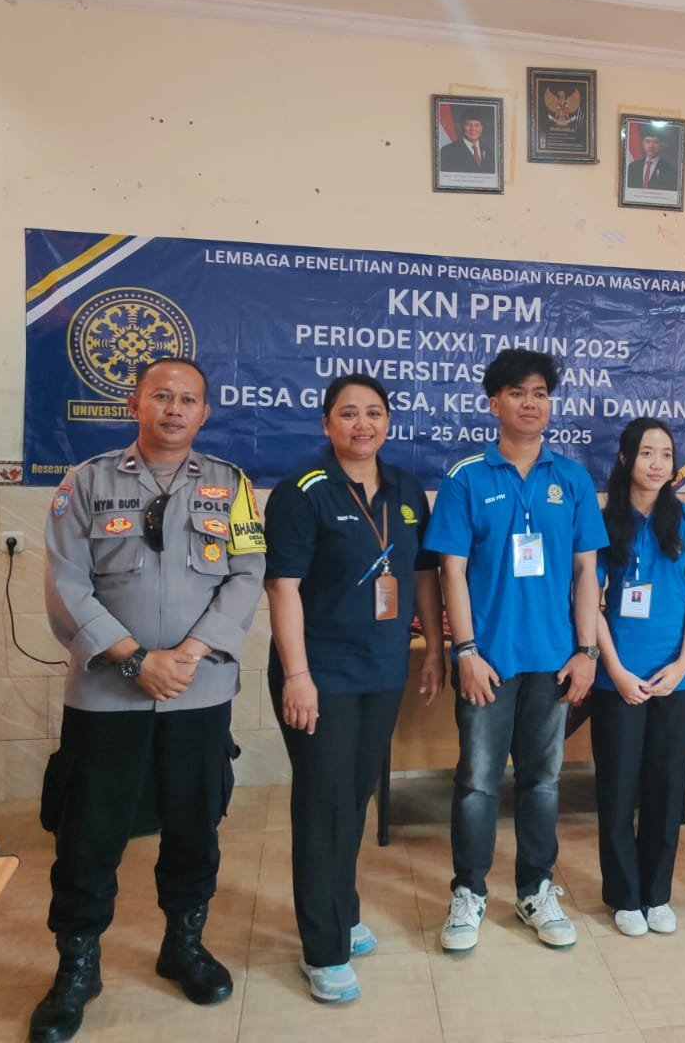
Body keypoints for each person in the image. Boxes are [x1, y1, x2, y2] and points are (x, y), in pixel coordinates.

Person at [32, 358, 265, 1043]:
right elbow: (66, 584)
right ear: (134, 404)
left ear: (205, 413)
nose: (174, 409)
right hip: (108, 695)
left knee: (195, 824)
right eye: (161, 396)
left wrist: (188, 654)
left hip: (198, 691)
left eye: (188, 399)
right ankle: (77, 967)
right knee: (89, 833)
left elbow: (248, 574)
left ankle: (183, 946)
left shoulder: (233, 486)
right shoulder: (85, 482)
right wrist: (135, 660)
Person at [263, 374, 445, 1004]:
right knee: (324, 802)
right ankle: (322, 948)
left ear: (388, 421)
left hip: (383, 669)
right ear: (327, 424)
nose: (361, 424)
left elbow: (422, 575)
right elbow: (282, 588)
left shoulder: (405, 490)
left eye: (373, 412)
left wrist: (434, 648)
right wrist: (297, 676)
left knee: (356, 795)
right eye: (348, 414)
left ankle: (340, 908)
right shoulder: (302, 492)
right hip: (320, 674)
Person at [423, 348, 609, 952]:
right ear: (494, 402)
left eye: (541, 393)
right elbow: (451, 572)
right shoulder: (467, 477)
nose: (531, 403)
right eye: (518, 393)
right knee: (478, 781)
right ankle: (469, 892)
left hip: (554, 661)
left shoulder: (571, 479)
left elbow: (587, 571)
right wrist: (465, 651)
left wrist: (587, 651)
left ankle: (535, 889)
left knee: (543, 782)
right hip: (489, 663)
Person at [591, 418, 685, 937]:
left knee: (666, 791)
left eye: (666, 454)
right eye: (647, 452)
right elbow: (587, 600)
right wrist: (615, 670)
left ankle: (656, 893)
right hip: (617, 680)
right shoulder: (602, 522)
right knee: (618, 789)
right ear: (625, 459)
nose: (657, 463)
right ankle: (624, 896)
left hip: (676, 680)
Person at [439, 108, 495, 174]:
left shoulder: (488, 151)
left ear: (481, 128)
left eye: (476, 125)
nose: (473, 129)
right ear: (462, 127)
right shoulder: (448, 151)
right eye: (468, 125)